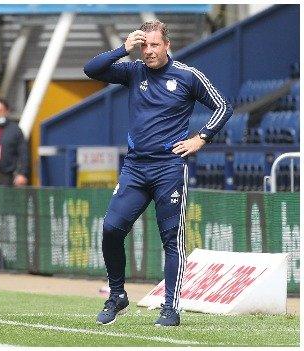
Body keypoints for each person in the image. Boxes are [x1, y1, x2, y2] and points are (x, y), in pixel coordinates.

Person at [83, 20, 232, 326]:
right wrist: (123, 49)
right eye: (144, 46)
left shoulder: (188, 76)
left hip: (169, 168)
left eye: (154, 45)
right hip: (135, 168)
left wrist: (200, 138)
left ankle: (171, 307)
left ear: (167, 45)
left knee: (171, 242)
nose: (148, 52)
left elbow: (223, 106)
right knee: (111, 228)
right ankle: (117, 296)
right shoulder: (133, 70)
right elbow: (92, 69)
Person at [0, 99, 29, 186]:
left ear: (6, 111)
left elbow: (23, 153)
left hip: (6, 175)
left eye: (0, 111)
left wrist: (22, 173)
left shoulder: (15, 130)